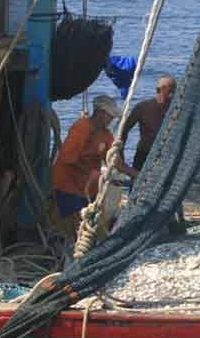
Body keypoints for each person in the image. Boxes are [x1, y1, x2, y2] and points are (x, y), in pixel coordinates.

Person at [51, 95, 134, 226]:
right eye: (110, 116)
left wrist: (137, 174)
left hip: (87, 189)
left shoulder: (106, 135)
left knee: (91, 219)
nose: (112, 119)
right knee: (75, 223)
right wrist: (94, 175)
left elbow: (116, 162)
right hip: (66, 186)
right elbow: (67, 158)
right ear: (100, 113)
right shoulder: (80, 128)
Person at [121, 74, 176, 172]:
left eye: (172, 90)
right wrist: (121, 157)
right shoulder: (142, 107)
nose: (172, 93)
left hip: (167, 157)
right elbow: (124, 130)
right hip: (143, 155)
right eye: (159, 90)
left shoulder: (176, 109)